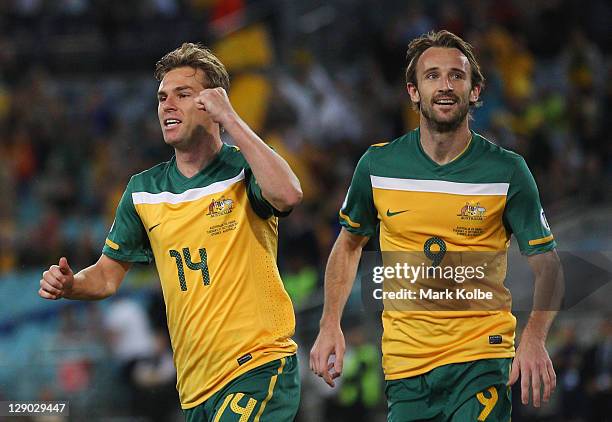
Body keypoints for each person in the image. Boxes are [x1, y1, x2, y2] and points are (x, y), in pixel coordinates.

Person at [39, 42, 303, 421]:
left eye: (183, 94)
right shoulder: (143, 191)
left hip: (257, 366)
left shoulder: (244, 169)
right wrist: (71, 285)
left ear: (213, 103)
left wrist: (231, 119)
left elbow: (288, 193)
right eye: (163, 97)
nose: (167, 105)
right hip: (195, 387)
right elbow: (108, 276)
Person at [310, 30, 564, 421]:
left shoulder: (507, 170)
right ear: (413, 91)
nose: (444, 86)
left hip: (481, 360)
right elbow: (347, 245)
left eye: (456, 76)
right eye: (432, 76)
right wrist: (330, 324)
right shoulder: (378, 166)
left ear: (475, 90)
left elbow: (547, 264)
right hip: (406, 370)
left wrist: (533, 338)